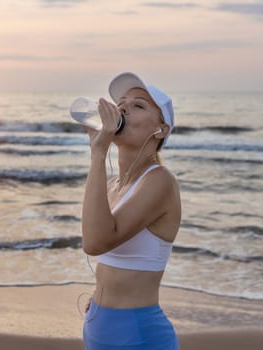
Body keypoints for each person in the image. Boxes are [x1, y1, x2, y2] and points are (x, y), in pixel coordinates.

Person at [81, 72, 181, 350]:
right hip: (99, 327)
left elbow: (94, 243)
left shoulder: (160, 180)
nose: (123, 107)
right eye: (121, 103)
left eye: (138, 105)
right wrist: (100, 298)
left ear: (161, 130)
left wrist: (98, 154)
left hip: (138, 336)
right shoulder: (114, 183)